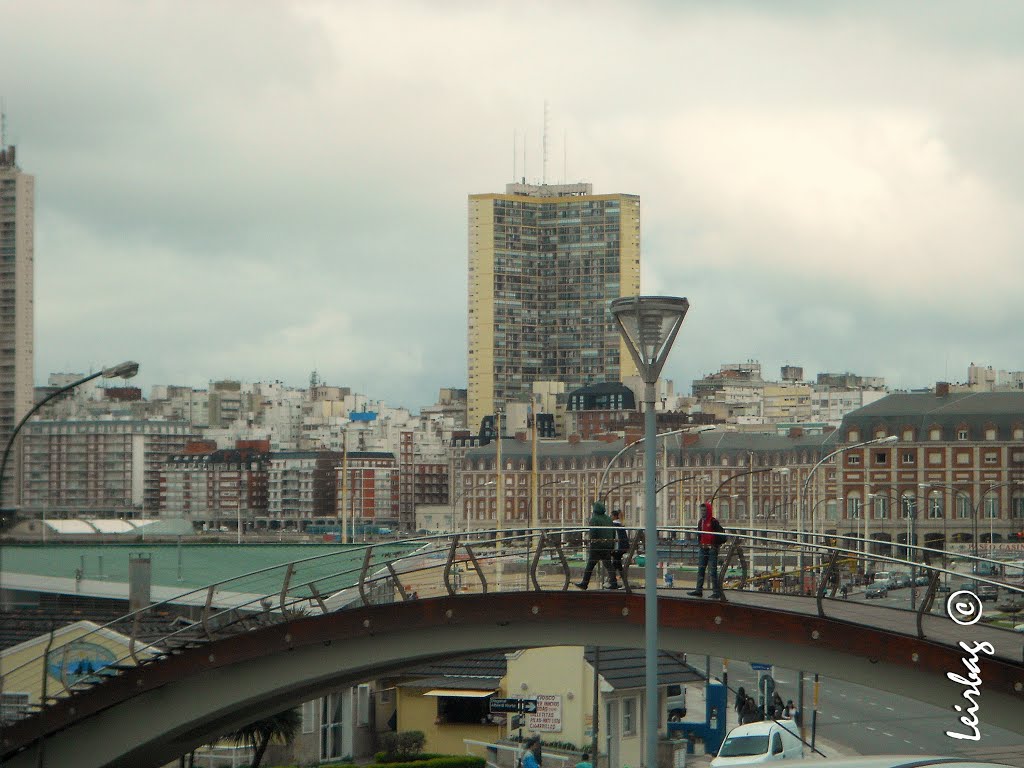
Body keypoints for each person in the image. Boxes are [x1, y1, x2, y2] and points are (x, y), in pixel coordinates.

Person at [575, 501, 617, 590]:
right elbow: (613, 532)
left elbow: (593, 532)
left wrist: (591, 541)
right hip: (607, 545)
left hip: (597, 546)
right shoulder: (609, 519)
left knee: (590, 565)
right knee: (608, 565)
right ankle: (614, 583)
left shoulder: (594, 519)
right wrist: (612, 545)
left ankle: (584, 583)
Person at [688, 501, 726, 598]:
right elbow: (699, 534)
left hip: (711, 548)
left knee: (712, 571)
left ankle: (716, 592)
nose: (703, 512)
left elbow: (720, 535)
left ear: (708, 511)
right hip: (703, 548)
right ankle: (698, 590)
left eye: (704, 510)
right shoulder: (701, 521)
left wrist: (715, 545)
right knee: (701, 569)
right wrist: (700, 543)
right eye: (702, 511)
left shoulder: (713, 522)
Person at [610, 509, 629, 585]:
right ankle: (620, 580)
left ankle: (613, 581)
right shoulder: (621, 525)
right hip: (622, 548)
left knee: (615, 564)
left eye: (611, 515)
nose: (610, 517)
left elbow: (614, 537)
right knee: (617, 564)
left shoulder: (613, 525)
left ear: (614, 516)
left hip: (617, 548)